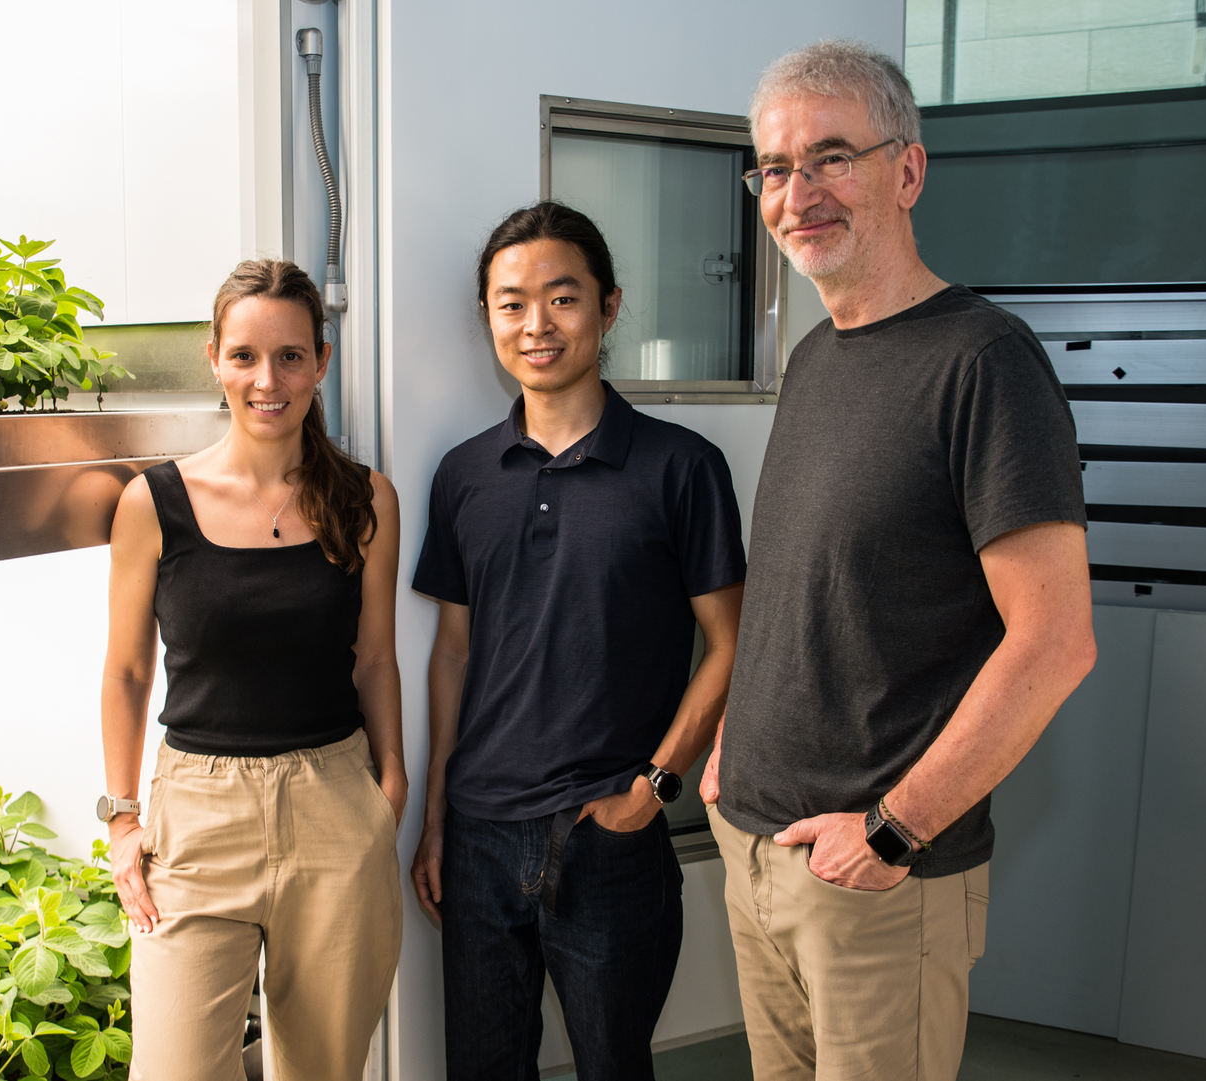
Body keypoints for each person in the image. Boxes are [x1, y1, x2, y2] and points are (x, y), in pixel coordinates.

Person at [701, 40, 1098, 1081]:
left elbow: (1055, 641)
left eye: (832, 157)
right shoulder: (814, 357)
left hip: (877, 878)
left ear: (908, 170)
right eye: (775, 169)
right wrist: (734, 745)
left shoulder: (986, 363)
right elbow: (807, 586)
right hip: (756, 845)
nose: (798, 194)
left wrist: (892, 830)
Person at [410, 202, 747, 1081]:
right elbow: (453, 652)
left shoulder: (682, 467)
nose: (536, 324)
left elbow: (730, 643)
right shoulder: (463, 473)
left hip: (611, 836)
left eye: (563, 298)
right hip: (480, 834)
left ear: (610, 305)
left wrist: (654, 789)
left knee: (612, 1067)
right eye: (511, 303)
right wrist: (439, 818)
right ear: (487, 317)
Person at [100, 259, 406, 1081]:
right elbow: (128, 670)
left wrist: (392, 783)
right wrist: (122, 817)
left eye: (291, 356)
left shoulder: (367, 500)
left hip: (336, 804)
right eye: (244, 356)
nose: (267, 380)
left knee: (321, 1069)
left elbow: (375, 656)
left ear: (321, 362)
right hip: (196, 815)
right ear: (214, 359)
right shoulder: (153, 503)